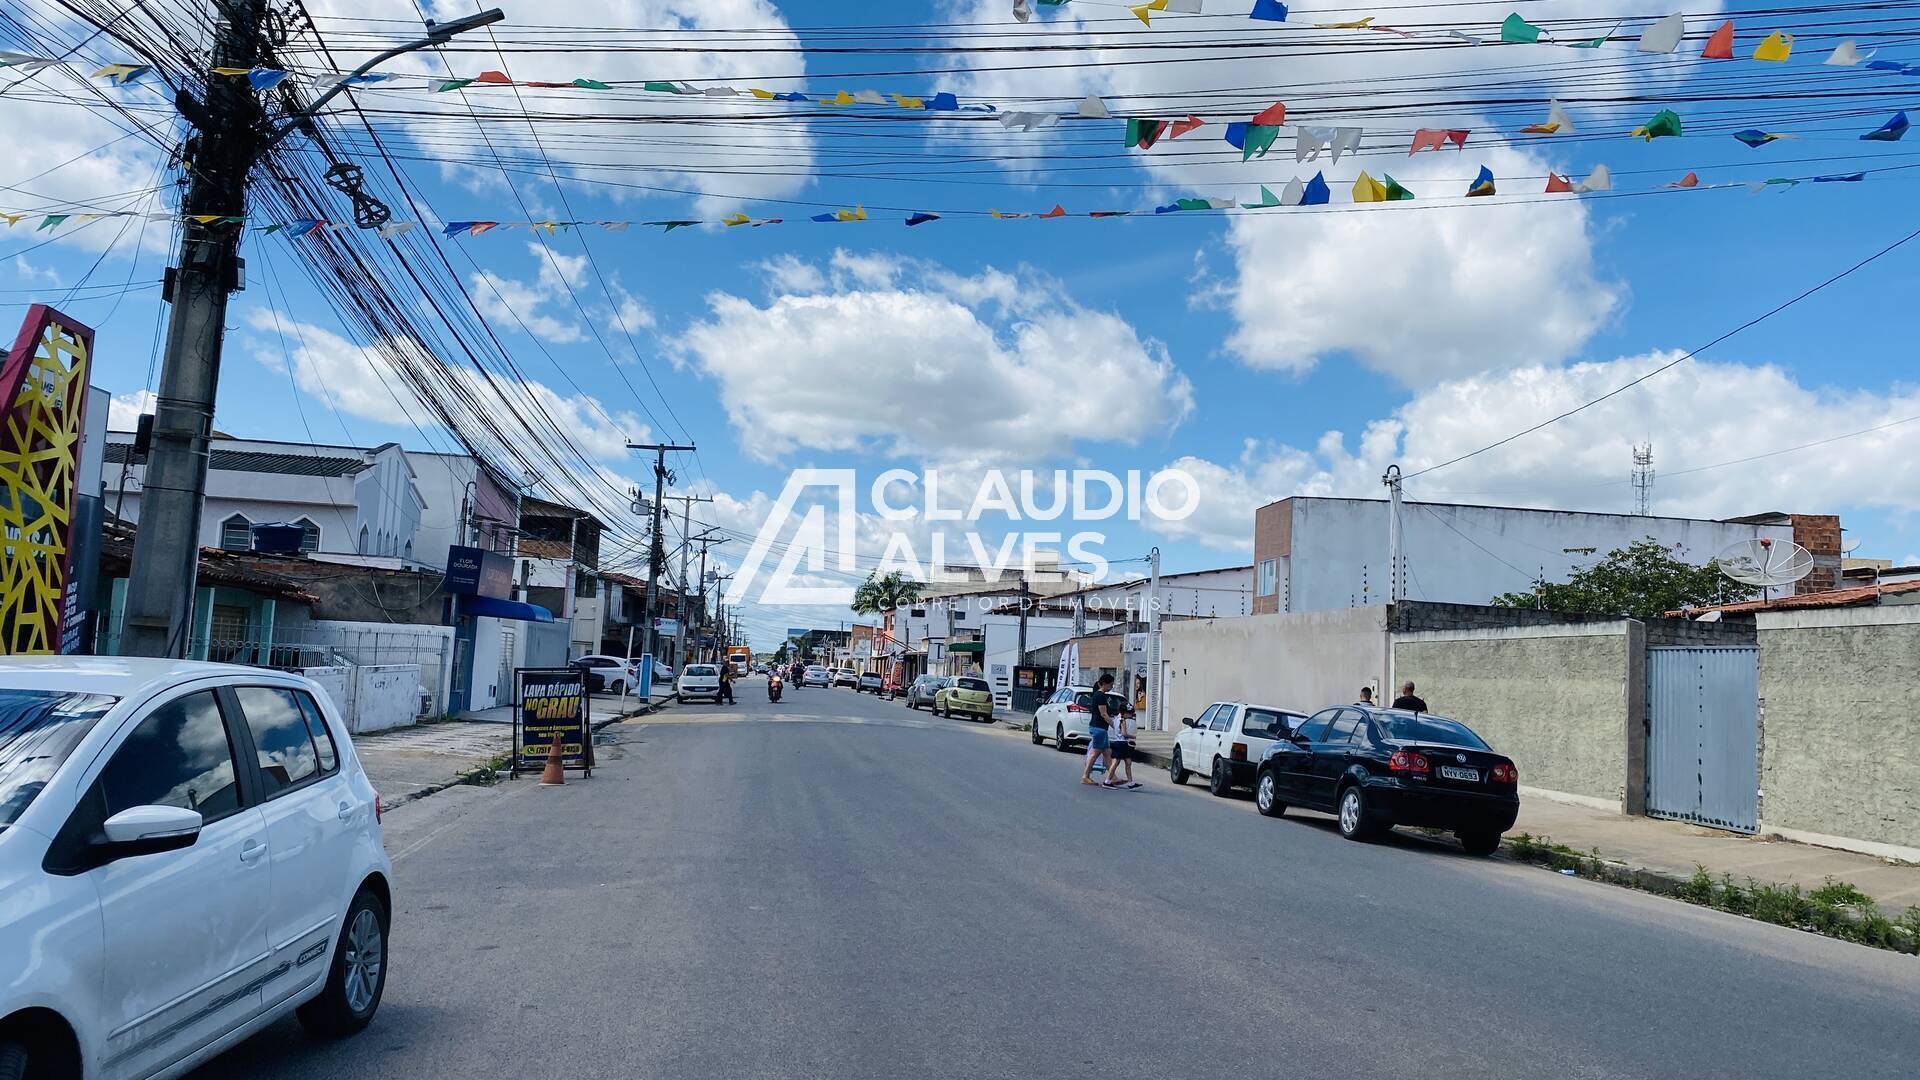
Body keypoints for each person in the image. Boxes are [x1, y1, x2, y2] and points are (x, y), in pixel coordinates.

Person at [1079, 674, 1116, 786]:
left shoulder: (1100, 695)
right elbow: (1104, 714)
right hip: (1098, 728)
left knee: (1107, 753)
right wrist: (1115, 726)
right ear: (1104, 683)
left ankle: (1113, 777)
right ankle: (1085, 776)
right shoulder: (1100, 696)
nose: (1112, 686)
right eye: (1110, 684)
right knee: (1095, 753)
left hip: (1101, 728)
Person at [1106, 695, 1143, 790]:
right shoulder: (1122, 721)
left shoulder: (1116, 719)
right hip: (1121, 743)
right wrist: (1133, 736)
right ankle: (1107, 781)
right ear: (1124, 713)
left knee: (1128, 762)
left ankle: (1130, 782)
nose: (1131, 715)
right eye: (1129, 713)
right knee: (1116, 763)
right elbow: (1124, 733)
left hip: (1119, 743)